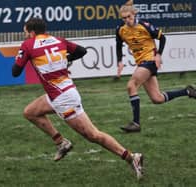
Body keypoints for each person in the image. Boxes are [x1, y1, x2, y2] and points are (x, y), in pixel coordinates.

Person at [12, 17, 143, 179]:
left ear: (31, 32)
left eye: (25, 32)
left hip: (64, 99)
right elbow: (82, 51)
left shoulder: (28, 45)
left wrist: (23, 56)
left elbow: (15, 71)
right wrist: (65, 59)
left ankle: (132, 157)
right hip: (60, 93)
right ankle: (61, 142)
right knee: (30, 112)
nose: (25, 35)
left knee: (93, 135)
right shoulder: (58, 40)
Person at [116, 0, 196, 133]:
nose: (127, 20)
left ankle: (136, 123)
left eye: (129, 17)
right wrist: (119, 61)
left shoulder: (144, 25)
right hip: (141, 62)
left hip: (150, 60)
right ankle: (187, 91)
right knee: (157, 98)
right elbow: (118, 44)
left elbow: (162, 38)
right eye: (124, 18)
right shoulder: (121, 30)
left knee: (131, 85)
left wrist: (158, 55)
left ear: (134, 14)